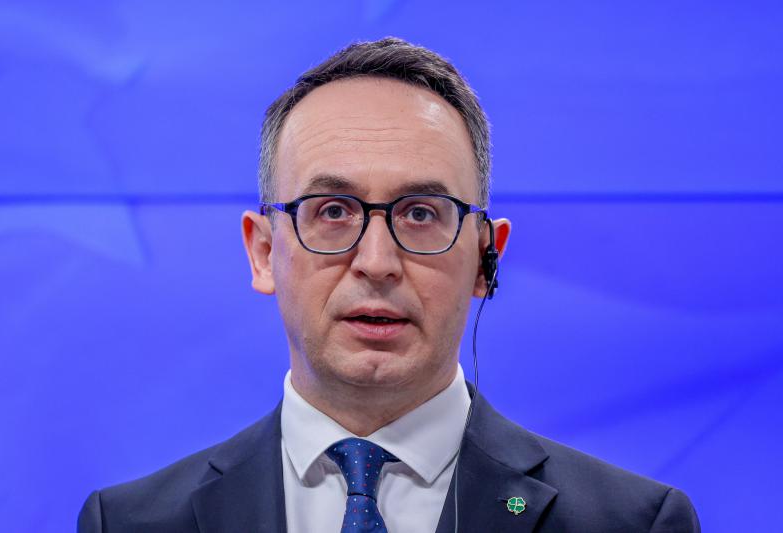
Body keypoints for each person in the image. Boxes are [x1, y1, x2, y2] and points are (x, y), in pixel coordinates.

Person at [78, 37, 700, 532]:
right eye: (333, 211)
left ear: (486, 258)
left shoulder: (629, 522)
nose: (377, 262)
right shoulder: (131, 523)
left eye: (421, 214)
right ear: (263, 252)